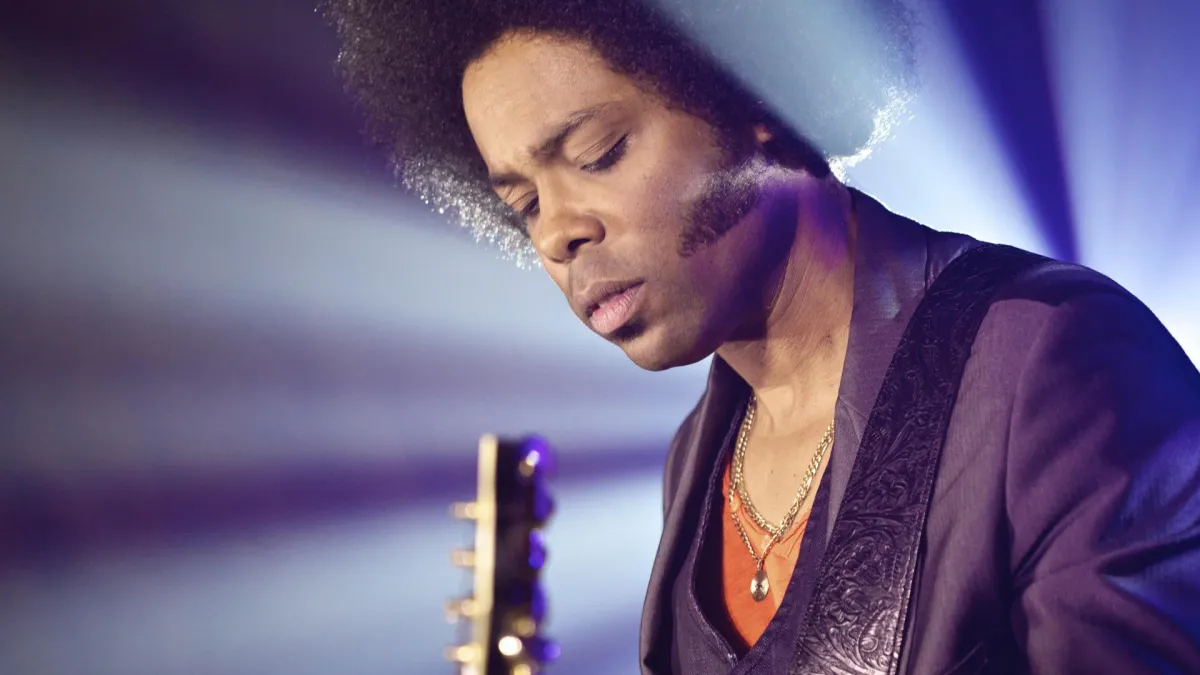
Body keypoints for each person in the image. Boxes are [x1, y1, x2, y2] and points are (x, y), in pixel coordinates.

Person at [323, 0, 1200, 672]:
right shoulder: (697, 461)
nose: (556, 232)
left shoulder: (1051, 360)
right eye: (523, 203)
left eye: (597, 154)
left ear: (754, 87)